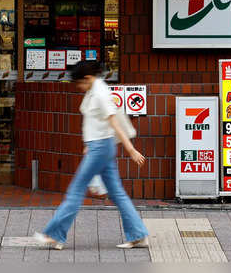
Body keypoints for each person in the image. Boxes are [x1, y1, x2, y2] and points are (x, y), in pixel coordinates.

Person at [33, 60, 149, 250]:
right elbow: (98, 122)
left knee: (76, 191)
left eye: (80, 83)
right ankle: (138, 235)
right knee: (117, 193)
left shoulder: (100, 94)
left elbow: (114, 123)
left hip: (100, 148)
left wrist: (131, 149)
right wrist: (90, 143)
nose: (79, 87)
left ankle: (54, 235)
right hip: (100, 146)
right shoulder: (95, 89)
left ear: (88, 78)